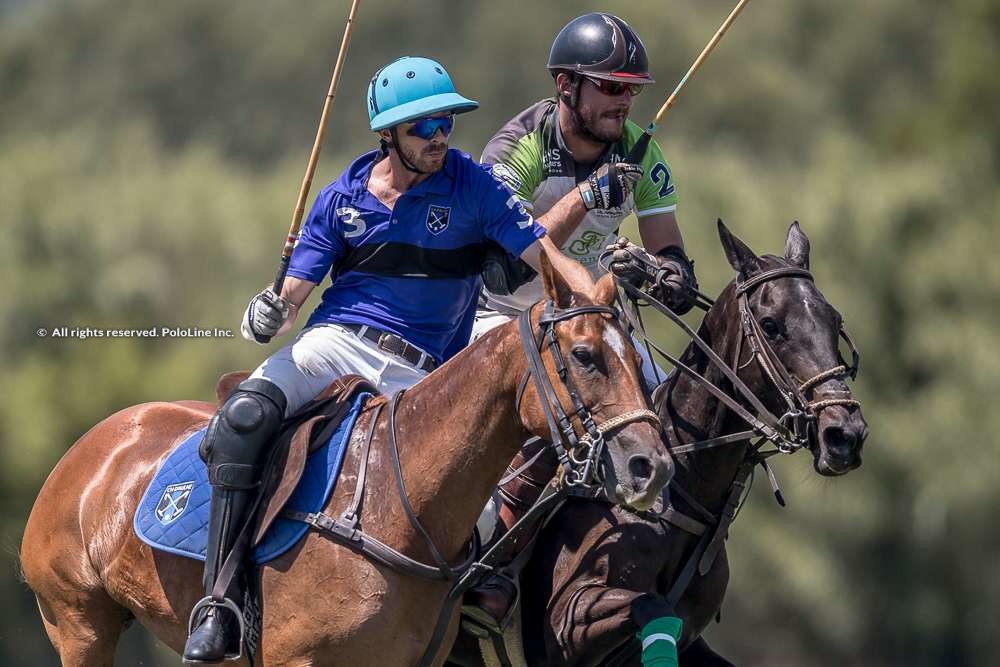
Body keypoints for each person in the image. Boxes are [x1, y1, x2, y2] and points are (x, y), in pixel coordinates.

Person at [182, 55, 586, 663]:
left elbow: (545, 256)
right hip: (338, 346)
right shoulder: (341, 198)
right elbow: (293, 294)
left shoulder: (474, 185)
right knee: (241, 419)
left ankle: (464, 613)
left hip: (430, 373)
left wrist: (592, 303)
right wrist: (267, 310)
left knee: (505, 480)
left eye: (446, 121)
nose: (440, 136)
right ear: (389, 135)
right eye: (424, 127)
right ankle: (219, 600)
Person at [463, 13, 700, 628]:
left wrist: (666, 273)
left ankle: (665, 554)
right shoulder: (520, 146)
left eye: (631, 89)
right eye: (611, 87)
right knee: (552, 408)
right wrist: (584, 199)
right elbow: (501, 271)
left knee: (665, 411)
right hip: (504, 320)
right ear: (567, 85)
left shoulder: (643, 153)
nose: (625, 101)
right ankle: (493, 561)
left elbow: (670, 251)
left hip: (593, 322)